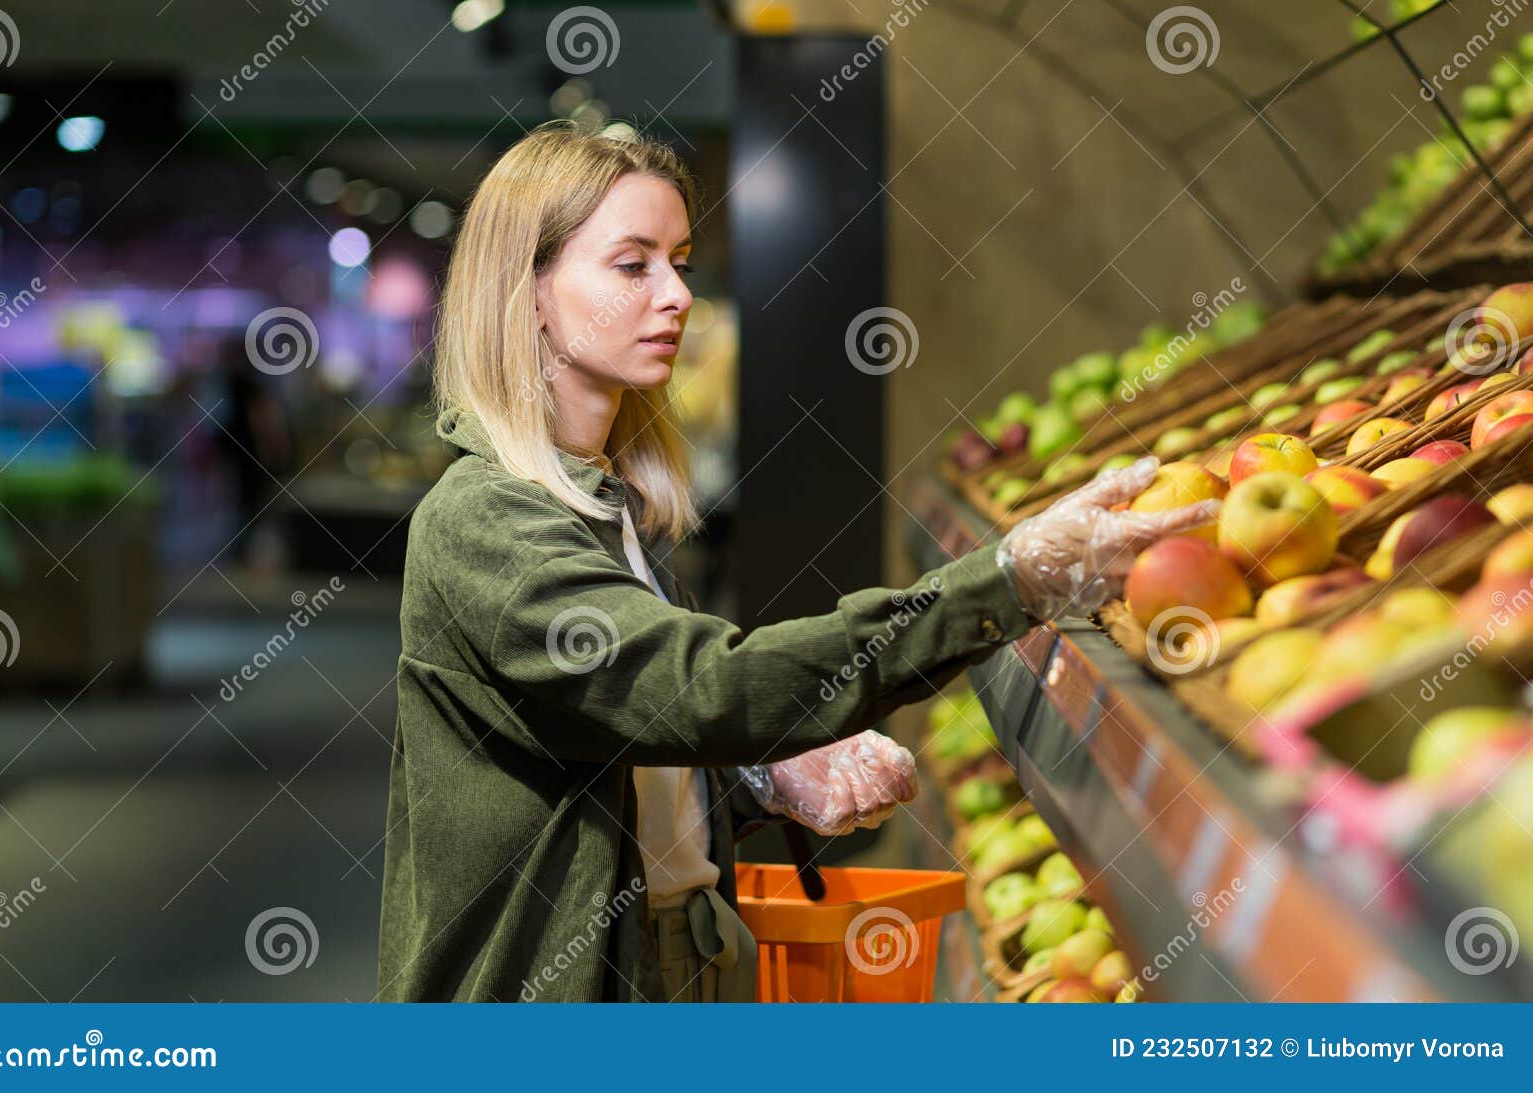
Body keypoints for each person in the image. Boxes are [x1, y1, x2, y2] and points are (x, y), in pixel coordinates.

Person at [374, 122, 1216, 1003]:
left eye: (681, 261)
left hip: (660, 961)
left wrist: (754, 775)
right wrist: (1008, 580)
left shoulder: (609, 504)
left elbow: (615, 738)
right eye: (633, 265)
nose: (678, 295)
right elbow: (697, 686)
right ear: (530, 291)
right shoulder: (487, 520)